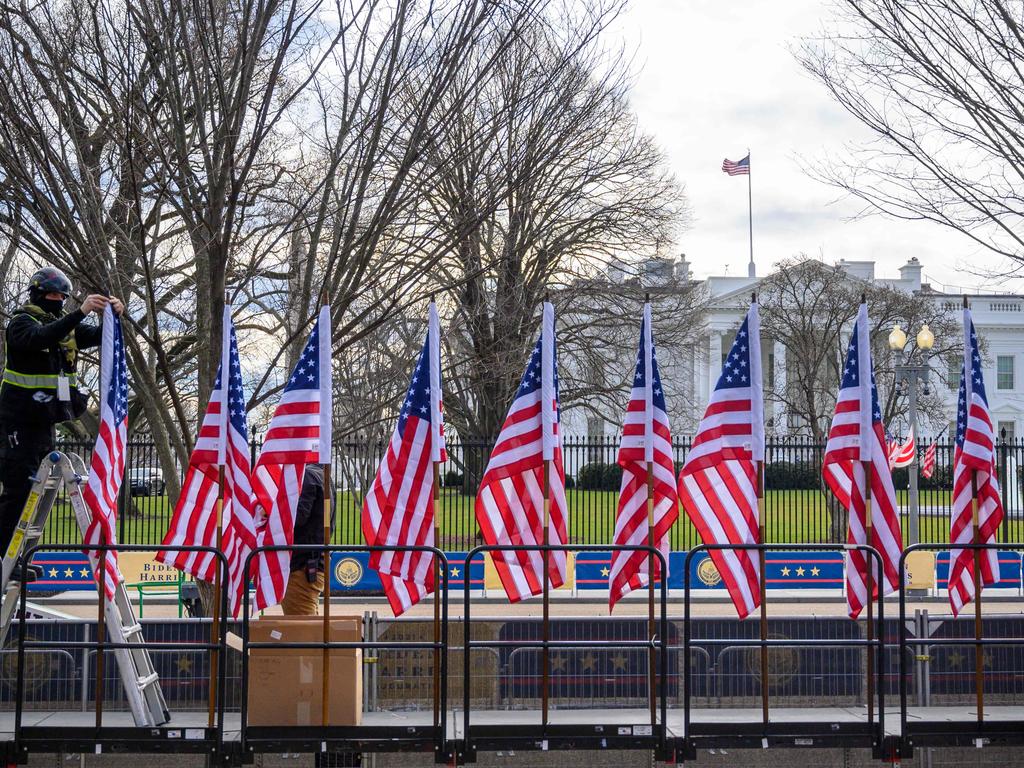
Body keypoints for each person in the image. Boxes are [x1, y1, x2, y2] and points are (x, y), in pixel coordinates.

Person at [0, 267, 125, 567]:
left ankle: (21, 557)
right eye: (53, 295)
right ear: (38, 294)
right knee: (18, 491)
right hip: (17, 421)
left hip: (44, 420)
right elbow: (41, 337)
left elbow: (98, 336)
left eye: (62, 297)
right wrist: (80, 311)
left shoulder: (64, 328)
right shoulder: (20, 324)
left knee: (38, 492)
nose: (58, 301)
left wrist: (114, 315)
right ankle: (5, 558)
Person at [280, 464, 337, 615]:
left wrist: (270, 511)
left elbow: (297, 517)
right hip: (313, 562)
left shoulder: (308, 476)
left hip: (302, 564)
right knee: (308, 623)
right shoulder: (323, 477)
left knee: (301, 627)